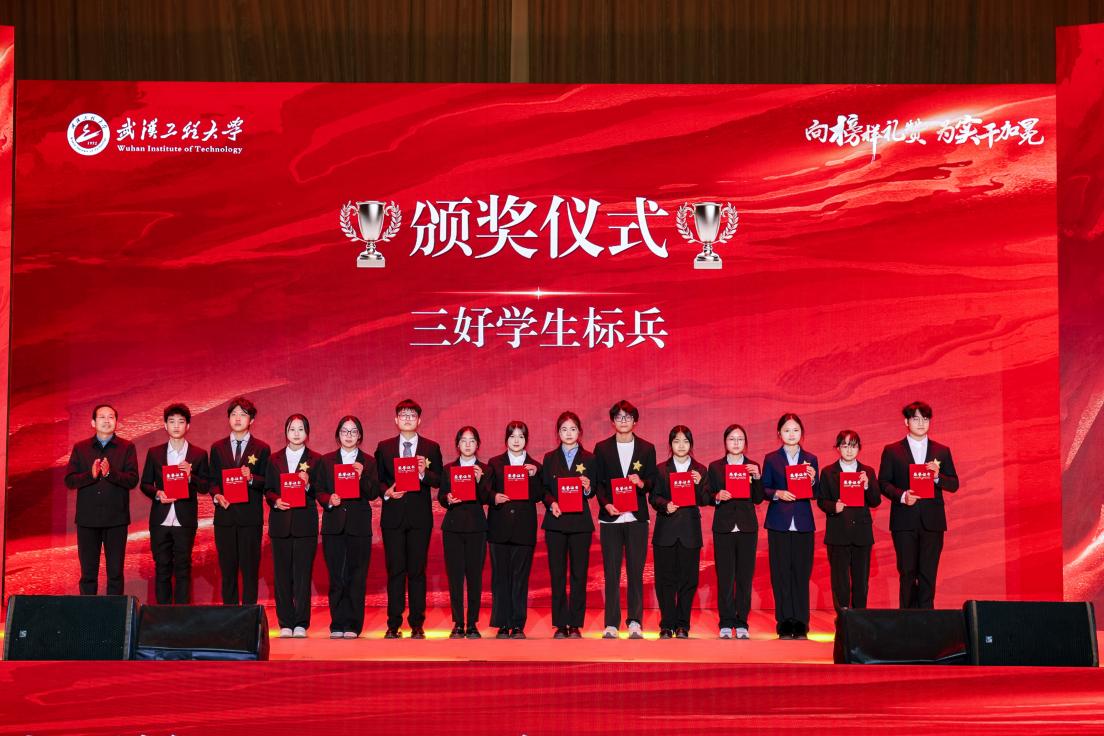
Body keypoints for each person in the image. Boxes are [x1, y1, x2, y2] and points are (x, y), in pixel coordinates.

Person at [878, 401, 960, 609]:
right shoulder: (892, 450)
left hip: (932, 522)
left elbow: (953, 484)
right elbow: (883, 483)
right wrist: (902, 496)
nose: (921, 423)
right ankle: (906, 618)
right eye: (916, 419)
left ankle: (927, 618)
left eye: (925, 419)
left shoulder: (941, 451)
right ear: (906, 422)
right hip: (904, 520)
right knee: (907, 572)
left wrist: (937, 477)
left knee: (928, 573)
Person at [375, 399, 443, 639]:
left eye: (412, 415)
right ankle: (393, 624)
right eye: (403, 415)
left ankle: (417, 623)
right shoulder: (384, 447)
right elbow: (377, 480)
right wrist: (387, 492)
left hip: (419, 519)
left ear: (419, 420)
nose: (407, 419)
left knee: (416, 571)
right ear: (396, 420)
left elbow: (439, 480)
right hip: (393, 517)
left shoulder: (430, 447)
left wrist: (423, 472)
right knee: (395, 571)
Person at [593, 400, 658, 640]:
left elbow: (652, 481)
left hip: (637, 518)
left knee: (635, 572)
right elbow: (598, 483)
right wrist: (605, 504)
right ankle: (611, 623)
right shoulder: (602, 448)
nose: (623, 421)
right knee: (611, 573)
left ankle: (635, 622)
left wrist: (641, 483)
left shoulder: (647, 448)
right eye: (619, 417)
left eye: (628, 417)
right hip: (611, 519)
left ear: (635, 421)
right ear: (613, 421)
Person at [64, 404, 140, 595]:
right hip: (87, 520)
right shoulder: (81, 448)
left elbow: (132, 480)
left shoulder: (127, 447)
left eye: (111, 417)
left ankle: (115, 612)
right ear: (93, 422)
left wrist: (110, 474)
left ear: (116, 422)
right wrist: (90, 475)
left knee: (115, 573)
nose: (107, 421)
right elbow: (70, 480)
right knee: (88, 573)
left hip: (116, 519)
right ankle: (88, 612)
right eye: (102, 417)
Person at [316, 415, 380, 639]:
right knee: (336, 576)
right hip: (333, 526)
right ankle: (337, 624)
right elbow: (319, 490)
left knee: (356, 576)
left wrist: (361, 477)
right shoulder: (326, 461)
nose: (349, 435)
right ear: (338, 435)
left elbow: (373, 493)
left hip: (358, 526)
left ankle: (353, 625)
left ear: (359, 435)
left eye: (353, 431)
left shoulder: (368, 462)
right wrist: (329, 500)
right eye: (345, 431)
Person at [138, 403, 210, 604]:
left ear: (188, 426)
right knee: (161, 567)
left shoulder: (198, 454)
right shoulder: (155, 453)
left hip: (184, 519)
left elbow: (205, 486)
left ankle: (181, 615)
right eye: (172, 421)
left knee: (183, 568)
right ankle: (163, 614)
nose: (176, 426)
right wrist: (158, 494)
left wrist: (190, 476)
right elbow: (145, 484)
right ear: (165, 425)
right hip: (160, 519)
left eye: (181, 422)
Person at [207, 396, 271, 606]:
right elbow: (212, 481)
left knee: (250, 570)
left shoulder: (261, 448)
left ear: (251, 420)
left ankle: (249, 615)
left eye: (243, 415)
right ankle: (230, 615)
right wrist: (217, 495)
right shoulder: (217, 447)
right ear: (228, 418)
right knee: (228, 570)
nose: (237, 418)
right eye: (233, 414)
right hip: (225, 518)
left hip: (250, 519)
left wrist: (251, 478)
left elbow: (268, 482)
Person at [761, 413, 819, 640]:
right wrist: (778, 493)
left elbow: (816, 493)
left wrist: (812, 479)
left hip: (803, 523)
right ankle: (784, 623)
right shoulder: (771, 459)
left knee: (801, 574)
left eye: (795, 430)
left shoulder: (811, 459)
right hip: (779, 523)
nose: (791, 434)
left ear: (801, 433)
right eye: (786, 430)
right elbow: (763, 489)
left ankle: (801, 623)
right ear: (779, 433)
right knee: (781, 574)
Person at [264, 414, 322, 638]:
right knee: (281, 576)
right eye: (292, 429)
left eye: (300, 429)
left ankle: (301, 623)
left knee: (302, 575)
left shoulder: (316, 460)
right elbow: (268, 489)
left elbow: (320, 491)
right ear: (286, 432)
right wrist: (275, 501)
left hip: (305, 525)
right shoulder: (274, 459)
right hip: (280, 524)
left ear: (307, 433)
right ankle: (285, 623)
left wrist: (307, 486)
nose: (296, 433)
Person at [541, 411, 597, 639]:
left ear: (580, 432)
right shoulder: (549, 458)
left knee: (578, 575)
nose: (568, 433)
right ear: (558, 433)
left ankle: (575, 624)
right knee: (557, 575)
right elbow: (544, 489)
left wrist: (587, 487)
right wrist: (551, 503)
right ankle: (560, 624)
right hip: (555, 522)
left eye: (573, 429)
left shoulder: (590, 458)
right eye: (564, 429)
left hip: (580, 524)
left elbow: (593, 491)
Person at [650, 425, 710, 639]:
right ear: (670, 444)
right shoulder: (661, 469)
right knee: (664, 580)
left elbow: (706, 499)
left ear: (691, 444)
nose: (681, 445)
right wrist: (665, 505)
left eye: (685, 441)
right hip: (665, 531)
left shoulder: (700, 470)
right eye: (677, 441)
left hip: (689, 532)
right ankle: (667, 624)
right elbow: (653, 497)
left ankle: (683, 625)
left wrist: (699, 484)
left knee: (688, 580)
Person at [706, 424, 765, 640]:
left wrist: (757, 478)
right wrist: (717, 496)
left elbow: (758, 498)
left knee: (744, 577)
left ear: (745, 443)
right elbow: (707, 495)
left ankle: (742, 622)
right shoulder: (715, 467)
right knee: (725, 577)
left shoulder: (753, 466)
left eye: (740, 439)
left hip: (747, 528)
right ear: (725, 442)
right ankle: (726, 621)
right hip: (724, 527)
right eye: (732, 439)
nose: (736, 443)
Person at [486, 421, 543, 639]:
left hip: (523, 529)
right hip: (499, 528)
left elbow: (538, 495)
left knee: (520, 579)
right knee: (500, 578)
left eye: (520, 436)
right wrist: (494, 497)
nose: (516, 440)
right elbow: (485, 491)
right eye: (512, 436)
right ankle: (502, 623)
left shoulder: (535, 466)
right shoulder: (495, 463)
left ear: (526, 440)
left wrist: (534, 476)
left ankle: (518, 624)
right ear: (506, 439)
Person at [817, 430, 881, 613]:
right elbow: (821, 501)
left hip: (862, 534)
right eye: (845, 446)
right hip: (838, 533)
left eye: (853, 446)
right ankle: (843, 620)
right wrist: (833, 506)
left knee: (861, 581)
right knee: (840, 582)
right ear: (838, 448)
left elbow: (875, 501)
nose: (849, 450)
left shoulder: (868, 471)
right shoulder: (828, 472)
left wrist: (867, 485)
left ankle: (860, 620)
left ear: (859, 448)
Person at [438, 426, 492, 639]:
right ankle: (458, 623)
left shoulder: (485, 469)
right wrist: (448, 498)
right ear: (457, 444)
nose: (468, 445)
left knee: (475, 577)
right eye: (463, 441)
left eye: (472, 441)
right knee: (455, 577)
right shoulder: (448, 469)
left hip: (477, 528)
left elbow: (487, 498)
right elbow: (442, 496)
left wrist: (479, 482)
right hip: (452, 528)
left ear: (478, 445)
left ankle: (472, 623)